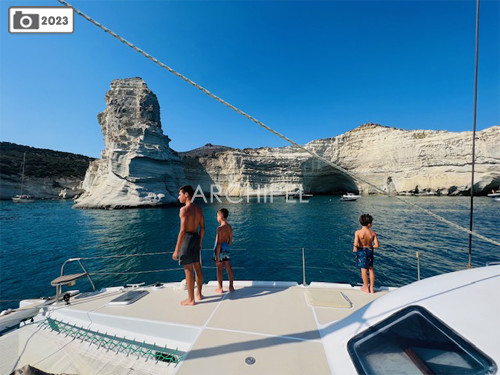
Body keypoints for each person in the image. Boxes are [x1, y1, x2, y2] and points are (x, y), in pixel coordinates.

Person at [172, 185, 205, 306]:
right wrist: (200, 242)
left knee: (188, 269)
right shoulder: (199, 209)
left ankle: (191, 299)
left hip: (187, 239)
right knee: (197, 267)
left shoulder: (184, 210)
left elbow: (182, 231)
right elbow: (203, 228)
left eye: (180, 194)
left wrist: (176, 250)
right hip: (196, 238)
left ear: (186, 195)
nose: (178, 197)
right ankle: (199, 294)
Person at [353, 214, 379, 293]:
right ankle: (371, 288)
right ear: (369, 224)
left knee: (363, 270)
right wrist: (370, 247)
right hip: (369, 251)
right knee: (371, 269)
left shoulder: (358, 232)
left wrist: (356, 247)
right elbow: (377, 245)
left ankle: (366, 287)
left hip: (361, 251)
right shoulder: (373, 233)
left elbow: (355, 244)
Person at [213, 208, 235, 293]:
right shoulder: (229, 226)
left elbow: (218, 242)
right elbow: (230, 239)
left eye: (217, 216)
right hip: (226, 246)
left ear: (221, 216)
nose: (216, 218)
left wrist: (217, 254)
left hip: (219, 248)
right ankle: (231, 286)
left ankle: (220, 288)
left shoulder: (219, 229)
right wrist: (227, 247)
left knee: (219, 268)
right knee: (228, 267)